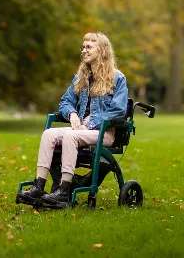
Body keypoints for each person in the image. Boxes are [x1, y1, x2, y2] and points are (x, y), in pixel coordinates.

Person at [16, 32, 128, 208]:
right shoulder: (80, 77)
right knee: (49, 134)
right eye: (83, 47)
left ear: (102, 50)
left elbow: (117, 110)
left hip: (103, 133)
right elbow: (66, 101)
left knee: (70, 137)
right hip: (81, 130)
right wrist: (72, 114)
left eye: (89, 47)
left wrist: (88, 125)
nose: (84, 50)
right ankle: (38, 186)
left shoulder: (117, 78)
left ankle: (63, 190)